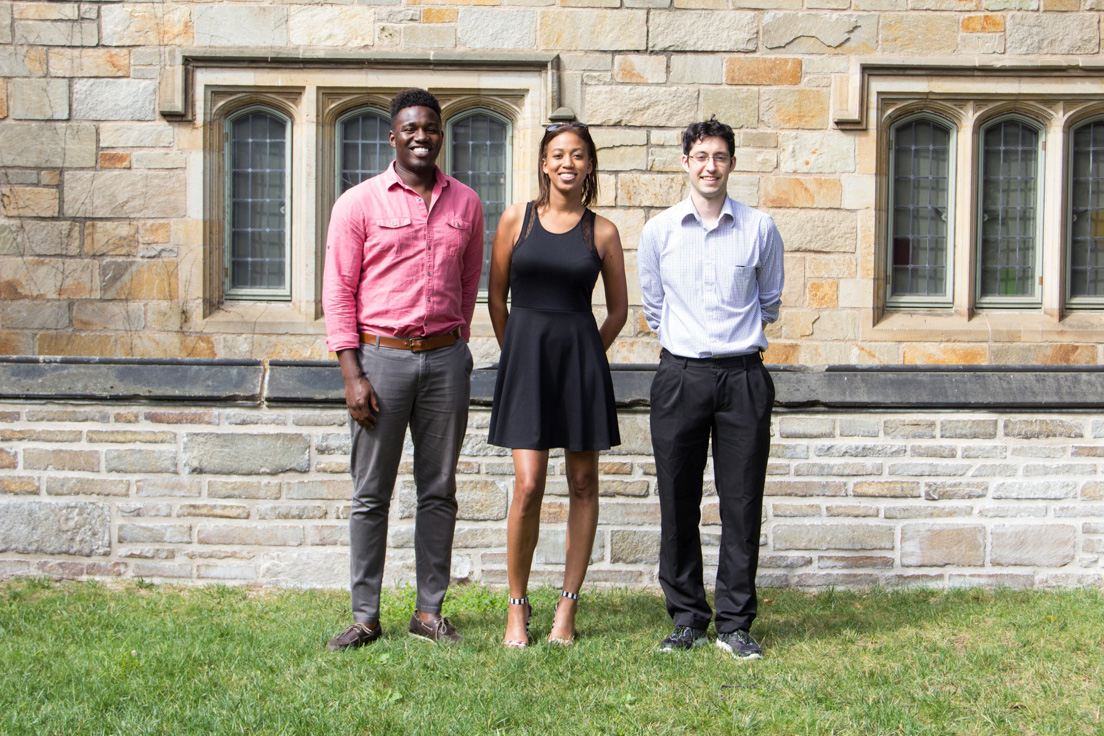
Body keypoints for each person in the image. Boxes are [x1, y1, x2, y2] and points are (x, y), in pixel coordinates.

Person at [322, 88, 484, 650]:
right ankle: (366, 615)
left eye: (431, 128)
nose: (422, 136)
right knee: (371, 492)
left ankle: (428, 611)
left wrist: (456, 346)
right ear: (392, 136)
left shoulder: (466, 203)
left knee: (438, 489)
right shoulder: (358, 203)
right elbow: (339, 293)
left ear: (442, 135)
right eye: (410, 128)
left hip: (445, 361)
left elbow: (467, 285)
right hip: (379, 361)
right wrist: (352, 373)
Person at [638, 117, 784, 660]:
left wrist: (733, 343)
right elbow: (654, 306)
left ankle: (735, 623)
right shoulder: (660, 232)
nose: (709, 166)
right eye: (700, 156)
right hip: (681, 375)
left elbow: (769, 300)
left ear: (732, 164)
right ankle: (686, 617)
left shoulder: (759, 228)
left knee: (742, 501)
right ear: (685, 162)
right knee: (678, 498)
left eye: (719, 157)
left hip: (743, 375)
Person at [487, 121, 627, 648]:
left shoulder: (604, 232)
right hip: (526, 363)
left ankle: (566, 610)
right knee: (528, 485)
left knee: (584, 484)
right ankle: (517, 609)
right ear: (544, 164)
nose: (567, 163)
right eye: (557, 155)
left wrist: (588, 358)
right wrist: (517, 355)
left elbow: (617, 312)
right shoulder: (513, 221)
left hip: (579, 366)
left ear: (589, 166)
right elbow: (496, 298)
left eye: (578, 155)